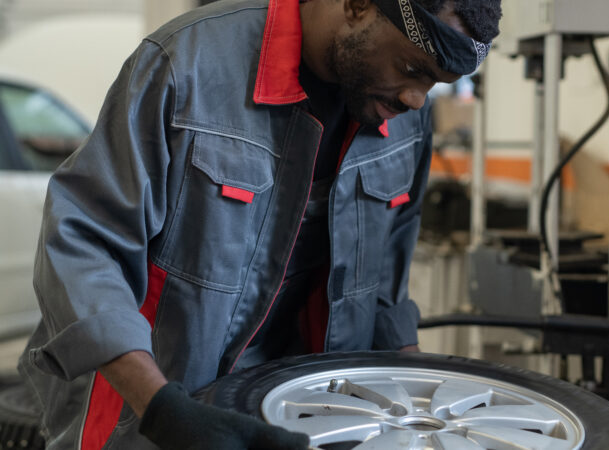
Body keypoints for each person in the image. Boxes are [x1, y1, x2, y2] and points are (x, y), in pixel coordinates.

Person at [18, 0, 501, 448]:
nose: (418, 99)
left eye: (435, 82)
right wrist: (163, 409)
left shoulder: (404, 115)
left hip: (302, 414)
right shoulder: (187, 65)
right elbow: (83, 244)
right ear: (357, 5)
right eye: (413, 68)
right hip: (148, 407)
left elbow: (385, 283)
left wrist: (422, 413)